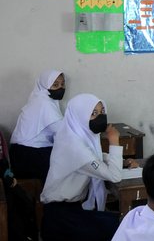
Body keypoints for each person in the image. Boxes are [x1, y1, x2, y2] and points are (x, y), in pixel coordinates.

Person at [40, 93, 123, 241]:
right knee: (119, 227)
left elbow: (93, 156)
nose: (101, 116)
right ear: (79, 116)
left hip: (72, 209)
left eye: (102, 111)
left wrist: (120, 161)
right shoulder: (74, 147)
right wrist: (114, 141)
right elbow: (115, 176)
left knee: (115, 224)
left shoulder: (72, 136)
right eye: (93, 113)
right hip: (60, 218)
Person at [10, 69, 66, 182]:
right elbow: (62, 131)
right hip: (30, 155)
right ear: (45, 86)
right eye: (55, 85)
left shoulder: (39, 99)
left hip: (22, 153)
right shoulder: (44, 103)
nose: (61, 88)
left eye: (62, 84)